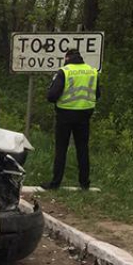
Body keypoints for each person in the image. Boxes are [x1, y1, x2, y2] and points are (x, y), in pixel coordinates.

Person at [42, 48, 100, 190]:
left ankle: (55, 183)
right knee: (82, 149)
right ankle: (84, 183)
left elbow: (52, 96)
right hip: (85, 114)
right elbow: (97, 94)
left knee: (61, 149)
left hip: (65, 114)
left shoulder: (64, 71)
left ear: (67, 58)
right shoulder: (92, 71)